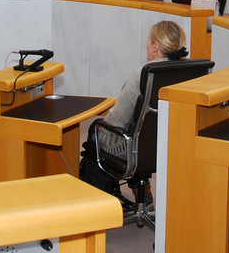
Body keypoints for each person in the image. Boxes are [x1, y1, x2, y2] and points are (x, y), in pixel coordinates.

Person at [79, 20, 189, 208]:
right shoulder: (186, 70)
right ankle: (143, 192)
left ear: (155, 47)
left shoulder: (144, 74)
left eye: (148, 40)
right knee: (142, 132)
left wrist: (102, 127)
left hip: (136, 148)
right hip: (166, 145)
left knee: (96, 130)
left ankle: (98, 202)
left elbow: (116, 121)